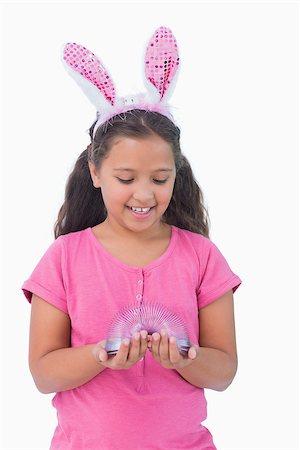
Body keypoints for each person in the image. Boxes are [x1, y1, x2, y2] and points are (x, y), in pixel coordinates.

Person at [21, 27, 242, 450]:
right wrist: (98, 354)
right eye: (126, 178)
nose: (144, 194)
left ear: (177, 174)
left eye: (160, 178)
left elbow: (224, 371)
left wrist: (186, 358)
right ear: (95, 171)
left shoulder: (202, 256)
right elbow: (43, 374)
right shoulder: (63, 257)